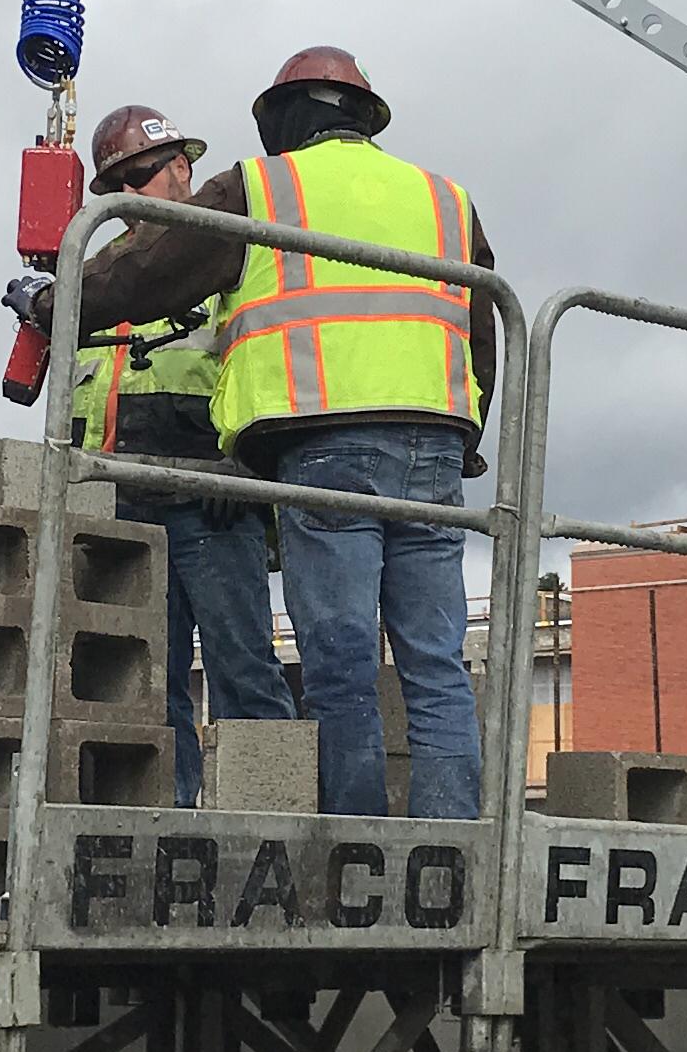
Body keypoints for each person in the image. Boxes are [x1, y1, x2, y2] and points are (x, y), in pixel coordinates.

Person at [30, 49, 496, 819]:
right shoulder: (446, 199)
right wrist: (464, 434)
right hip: (434, 450)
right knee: (436, 663)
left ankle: (358, 850)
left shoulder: (264, 188)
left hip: (326, 447)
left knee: (340, 662)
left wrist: (56, 300)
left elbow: (147, 277)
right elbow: (484, 326)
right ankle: (454, 849)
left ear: (284, 119)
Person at [66, 104, 294, 804]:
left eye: (146, 173)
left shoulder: (227, 257)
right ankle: (172, 829)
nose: (135, 192)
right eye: (120, 183)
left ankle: (269, 823)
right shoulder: (97, 275)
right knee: (147, 685)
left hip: (211, 502)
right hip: (121, 509)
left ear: (185, 170)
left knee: (244, 674)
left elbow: (265, 366)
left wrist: (250, 468)